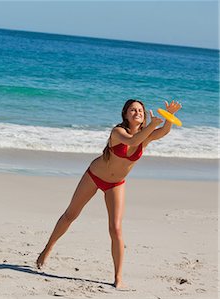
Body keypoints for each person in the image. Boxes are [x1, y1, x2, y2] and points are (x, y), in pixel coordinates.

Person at [36, 99, 182, 289]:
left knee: (116, 229)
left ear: (144, 115)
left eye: (140, 110)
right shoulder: (118, 132)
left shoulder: (145, 136)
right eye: (132, 110)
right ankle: (48, 248)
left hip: (116, 184)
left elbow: (163, 132)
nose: (137, 112)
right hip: (94, 176)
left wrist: (169, 117)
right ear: (125, 114)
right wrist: (152, 125)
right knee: (71, 215)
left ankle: (118, 277)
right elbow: (132, 141)